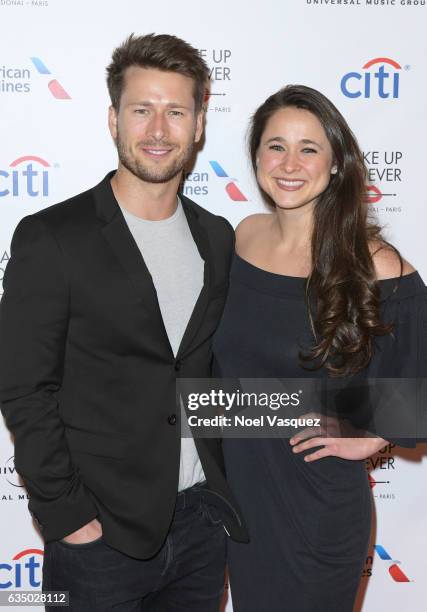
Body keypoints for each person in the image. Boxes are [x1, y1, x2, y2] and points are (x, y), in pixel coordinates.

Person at [0, 33, 248, 611]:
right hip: (97, 538)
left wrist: (363, 415)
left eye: (175, 111)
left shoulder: (217, 237)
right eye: (142, 110)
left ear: (199, 123)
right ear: (114, 120)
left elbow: (212, 371)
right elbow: (23, 386)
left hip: (199, 529)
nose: (158, 130)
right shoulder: (53, 237)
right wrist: (68, 518)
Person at [212, 85, 427, 611]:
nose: (290, 163)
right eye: (275, 145)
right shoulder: (243, 236)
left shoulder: (374, 262)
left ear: (335, 164)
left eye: (309, 148)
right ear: (257, 156)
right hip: (235, 494)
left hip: (315, 504)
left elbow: (418, 389)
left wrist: (370, 437)